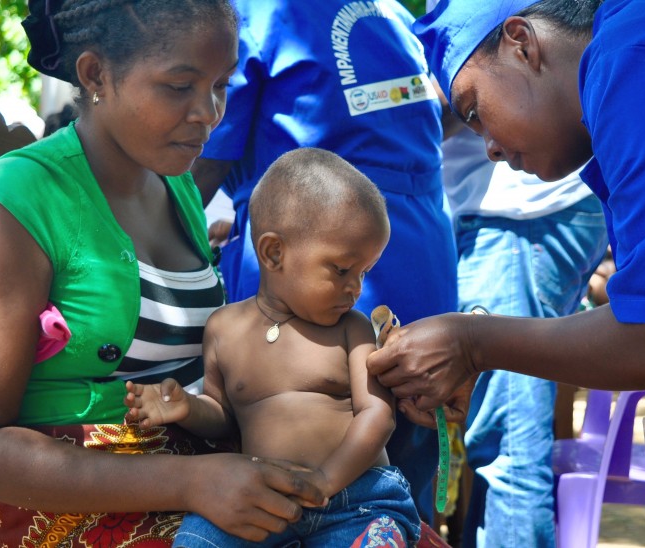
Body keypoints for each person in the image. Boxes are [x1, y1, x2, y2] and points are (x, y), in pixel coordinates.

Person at [0, 1, 328, 546]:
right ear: (95, 75)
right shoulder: (16, 201)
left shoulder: (175, 185)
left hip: (204, 482)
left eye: (221, 85)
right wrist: (189, 481)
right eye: (180, 87)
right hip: (74, 512)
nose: (208, 112)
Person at [190, 0, 460, 524]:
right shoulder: (394, 17)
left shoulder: (261, 12)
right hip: (421, 268)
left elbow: (203, 155)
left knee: (277, 499)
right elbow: (445, 110)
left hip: (310, 267)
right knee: (404, 502)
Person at [366, 0, 645, 423]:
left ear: (521, 43)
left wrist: (473, 344)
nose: (490, 149)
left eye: (475, 111)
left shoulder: (630, 59)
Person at [124, 147, 422, 547]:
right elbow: (225, 418)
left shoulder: (352, 330)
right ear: (274, 252)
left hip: (357, 499)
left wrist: (325, 480)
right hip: (262, 500)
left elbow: (378, 416)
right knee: (197, 539)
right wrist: (188, 408)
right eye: (341, 269)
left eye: (364, 272)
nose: (355, 288)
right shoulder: (225, 328)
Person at [441, 129, 607, 547]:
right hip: (519, 215)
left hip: (519, 218)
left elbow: (445, 96)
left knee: (508, 446)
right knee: (500, 440)